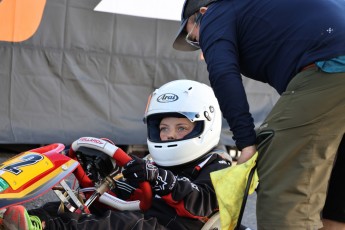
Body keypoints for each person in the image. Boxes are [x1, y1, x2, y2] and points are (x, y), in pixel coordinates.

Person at [172, 0, 345, 229]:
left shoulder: (216, 12)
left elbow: (223, 74)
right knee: (335, 182)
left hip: (332, 66)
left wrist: (246, 143)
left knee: (283, 183)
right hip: (332, 63)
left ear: (202, 12)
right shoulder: (267, 9)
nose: (202, 50)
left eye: (194, 38)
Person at [1, 80, 250, 230]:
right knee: (71, 204)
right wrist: (105, 183)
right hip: (143, 218)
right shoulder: (154, 163)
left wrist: (161, 179)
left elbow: (202, 203)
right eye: (163, 128)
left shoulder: (218, 165)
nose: (170, 135)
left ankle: (46, 228)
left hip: (174, 227)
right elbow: (131, 195)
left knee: (120, 225)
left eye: (181, 127)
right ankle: (24, 220)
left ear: (204, 125)